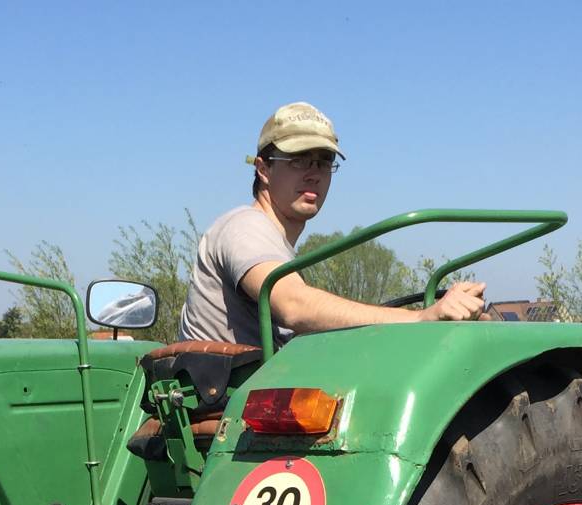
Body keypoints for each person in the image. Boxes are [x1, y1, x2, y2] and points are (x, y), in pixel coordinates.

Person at [178, 102, 485, 349]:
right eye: (298, 160)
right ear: (264, 169)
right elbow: (294, 306)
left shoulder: (278, 247)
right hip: (228, 413)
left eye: (323, 162)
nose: (313, 174)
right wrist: (420, 319)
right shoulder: (244, 227)